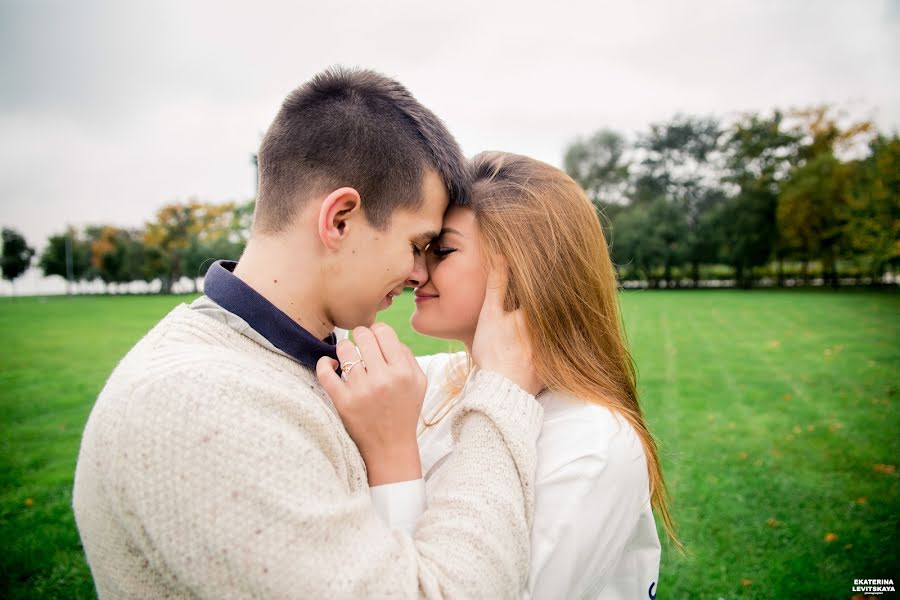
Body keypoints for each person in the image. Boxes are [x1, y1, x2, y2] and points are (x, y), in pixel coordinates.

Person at [72, 68, 544, 598]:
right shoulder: (196, 405)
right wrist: (501, 390)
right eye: (417, 244)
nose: (419, 273)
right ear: (340, 219)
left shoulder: (281, 360)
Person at [409, 152, 681, 598]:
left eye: (441, 251)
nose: (415, 271)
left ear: (521, 270)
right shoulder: (445, 377)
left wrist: (391, 458)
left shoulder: (593, 445)